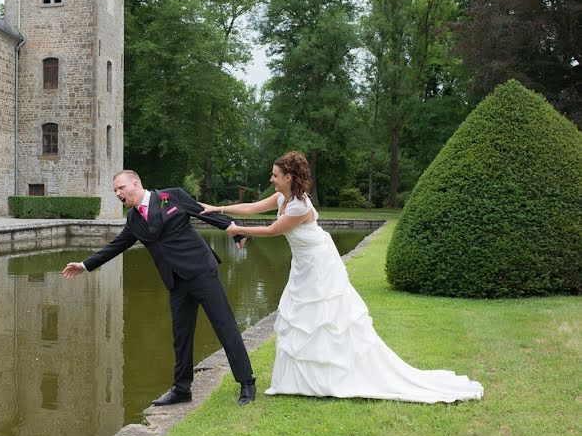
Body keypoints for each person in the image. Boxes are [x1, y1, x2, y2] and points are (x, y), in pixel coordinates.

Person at [201, 152, 483, 403]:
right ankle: (304, 380)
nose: (271, 179)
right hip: (303, 262)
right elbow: (253, 207)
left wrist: (239, 230)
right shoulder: (282, 197)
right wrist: (218, 209)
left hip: (319, 263)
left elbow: (275, 230)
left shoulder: (299, 206)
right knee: (302, 317)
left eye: (275, 175)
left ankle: (332, 376)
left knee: (327, 318)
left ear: (288, 177)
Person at [62, 170, 257, 406]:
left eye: (121, 188)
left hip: (202, 272)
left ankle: (246, 383)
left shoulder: (171, 196)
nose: (118, 193)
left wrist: (234, 231)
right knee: (181, 336)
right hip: (175, 282)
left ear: (136, 183)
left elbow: (202, 211)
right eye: (115, 191)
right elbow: (116, 246)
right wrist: (84, 265)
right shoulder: (133, 220)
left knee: (225, 326)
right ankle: (182, 389)